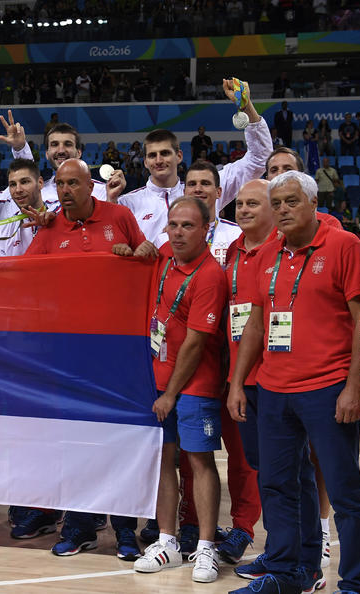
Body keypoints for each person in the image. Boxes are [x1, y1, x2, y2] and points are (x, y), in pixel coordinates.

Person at [227, 171, 360, 594]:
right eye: (278, 203)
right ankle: (292, 571)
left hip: (327, 387)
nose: (284, 210)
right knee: (277, 482)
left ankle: (357, 583)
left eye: (292, 201)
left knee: (345, 491)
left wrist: (353, 385)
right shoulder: (269, 252)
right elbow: (256, 322)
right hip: (272, 388)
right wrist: (238, 383)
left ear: (313, 203)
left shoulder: (342, 245)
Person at [24, 158, 153, 560]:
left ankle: (126, 529)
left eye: (72, 183)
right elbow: (21, 276)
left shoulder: (120, 215)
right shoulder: (49, 229)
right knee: (75, 445)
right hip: (68, 355)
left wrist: (140, 251)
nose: (64, 191)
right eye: (59, 183)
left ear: (90, 186)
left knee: (121, 443)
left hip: (119, 354)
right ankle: (79, 526)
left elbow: (146, 261)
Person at [133, 196, 227, 585]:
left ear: (206, 228)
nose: (178, 232)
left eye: (188, 226)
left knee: (200, 461)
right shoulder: (166, 255)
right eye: (173, 224)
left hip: (193, 385)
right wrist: (132, 248)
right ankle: (167, 541)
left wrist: (170, 393)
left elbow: (195, 342)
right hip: (159, 378)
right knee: (163, 459)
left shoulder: (211, 275)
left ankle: (206, 547)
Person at [119, 78, 271, 246]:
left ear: (179, 156)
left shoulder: (201, 190)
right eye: (152, 155)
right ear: (145, 162)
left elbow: (259, 158)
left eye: (165, 153)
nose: (159, 160)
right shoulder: (127, 203)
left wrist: (246, 106)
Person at [216, 179, 275, 566]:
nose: (244, 210)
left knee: (275, 467)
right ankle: (245, 530)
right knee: (242, 459)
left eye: (254, 204)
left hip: (273, 373)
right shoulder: (234, 250)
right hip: (234, 370)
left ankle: (288, 547)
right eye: (240, 205)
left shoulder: (283, 250)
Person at [0, 111, 123, 204]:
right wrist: (20, 148)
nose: (61, 150)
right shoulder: (38, 192)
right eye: (54, 145)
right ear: (47, 154)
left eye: (68, 144)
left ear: (79, 153)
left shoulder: (103, 192)